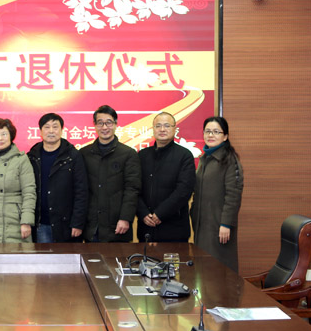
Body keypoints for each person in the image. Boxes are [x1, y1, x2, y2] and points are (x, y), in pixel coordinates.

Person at [80, 105, 140, 242]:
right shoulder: (84, 154)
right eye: (100, 123)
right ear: (94, 125)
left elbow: (132, 189)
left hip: (117, 225)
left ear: (116, 124)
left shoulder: (128, 154)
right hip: (91, 225)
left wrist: (125, 218)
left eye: (109, 122)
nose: (104, 127)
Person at [191, 116, 244, 272]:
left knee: (219, 267)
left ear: (225, 136)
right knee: (203, 267)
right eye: (207, 131)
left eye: (216, 132)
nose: (211, 135)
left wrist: (226, 224)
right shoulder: (205, 158)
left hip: (219, 225)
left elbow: (233, 195)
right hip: (203, 224)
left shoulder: (229, 160)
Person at [27, 113, 88, 242]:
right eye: (47, 127)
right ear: (40, 131)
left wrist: (77, 223)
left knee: (67, 255)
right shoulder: (32, 156)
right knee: (42, 255)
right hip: (41, 224)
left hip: (67, 225)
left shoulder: (73, 156)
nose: (51, 131)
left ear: (62, 130)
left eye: (55, 127)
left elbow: (81, 191)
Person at [137, 112, 196, 243]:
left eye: (167, 126)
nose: (162, 129)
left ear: (175, 129)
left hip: (174, 228)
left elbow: (184, 190)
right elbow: (134, 188)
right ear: (153, 129)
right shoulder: (142, 155)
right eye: (158, 126)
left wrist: (160, 214)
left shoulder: (184, 156)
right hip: (146, 227)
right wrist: (142, 213)